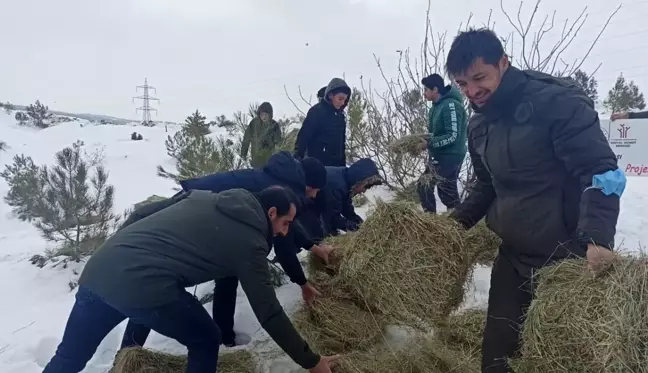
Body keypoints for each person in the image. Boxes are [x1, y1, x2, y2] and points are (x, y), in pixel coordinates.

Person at [444, 28, 622, 373]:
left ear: (504, 63)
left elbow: (601, 172)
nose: (472, 91)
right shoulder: (479, 125)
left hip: (567, 261)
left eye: (479, 77)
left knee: (560, 358)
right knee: (498, 358)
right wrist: (450, 227)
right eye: (463, 83)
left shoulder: (556, 103)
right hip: (513, 257)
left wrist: (598, 238)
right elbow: (486, 185)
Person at [42, 187, 339, 373]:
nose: (286, 232)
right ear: (271, 213)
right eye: (285, 224)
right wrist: (312, 362)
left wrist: (123, 252)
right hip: (144, 284)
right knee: (206, 338)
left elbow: (144, 212)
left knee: (69, 358)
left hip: (100, 269)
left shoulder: (204, 197)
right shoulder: (250, 242)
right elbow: (269, 312)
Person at [120, 152, 328, 348]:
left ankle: (224, 336)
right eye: (317, 190)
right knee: (155, 282)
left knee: (228, 274)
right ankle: (129, 353)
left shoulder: (280, 182)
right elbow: (284, 245)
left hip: (200, 210)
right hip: (188, 217)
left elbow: (288, 228)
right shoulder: (283, 192)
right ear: (308, 185)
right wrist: (303, 285)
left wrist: (313, 247)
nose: (316, 195)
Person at [417, 73, 468, 214]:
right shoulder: (435, 107)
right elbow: (438, 133)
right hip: (440, 155)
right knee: (444, 188)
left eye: (426, 90)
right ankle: (456, 222)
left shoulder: (451, 106)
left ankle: (434, 221)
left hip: (451, 156)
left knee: (427, 185)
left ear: (435, 90)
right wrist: (424, 137)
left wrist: (429, 144)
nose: (424, 93)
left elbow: (452, 136)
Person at [294, 78, 351, 167]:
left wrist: (343, 168)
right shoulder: (316, 112)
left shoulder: (340, 116)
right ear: (330, 95)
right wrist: (297, 162)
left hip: (336, 169)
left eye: (345, 100)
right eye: (340, 99)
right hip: (316, 167)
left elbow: (341, 145)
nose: (343, 103)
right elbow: (303, 138)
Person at [241, 102, 282, 168]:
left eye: (266, 114)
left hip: (269, 161)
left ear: (270, 115)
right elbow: (246, 139)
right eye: (262, 114)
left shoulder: (274, 125)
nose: (264, 116)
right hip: (255, 160)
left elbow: (279, 143)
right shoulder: (254, 123)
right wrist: (243, 154)